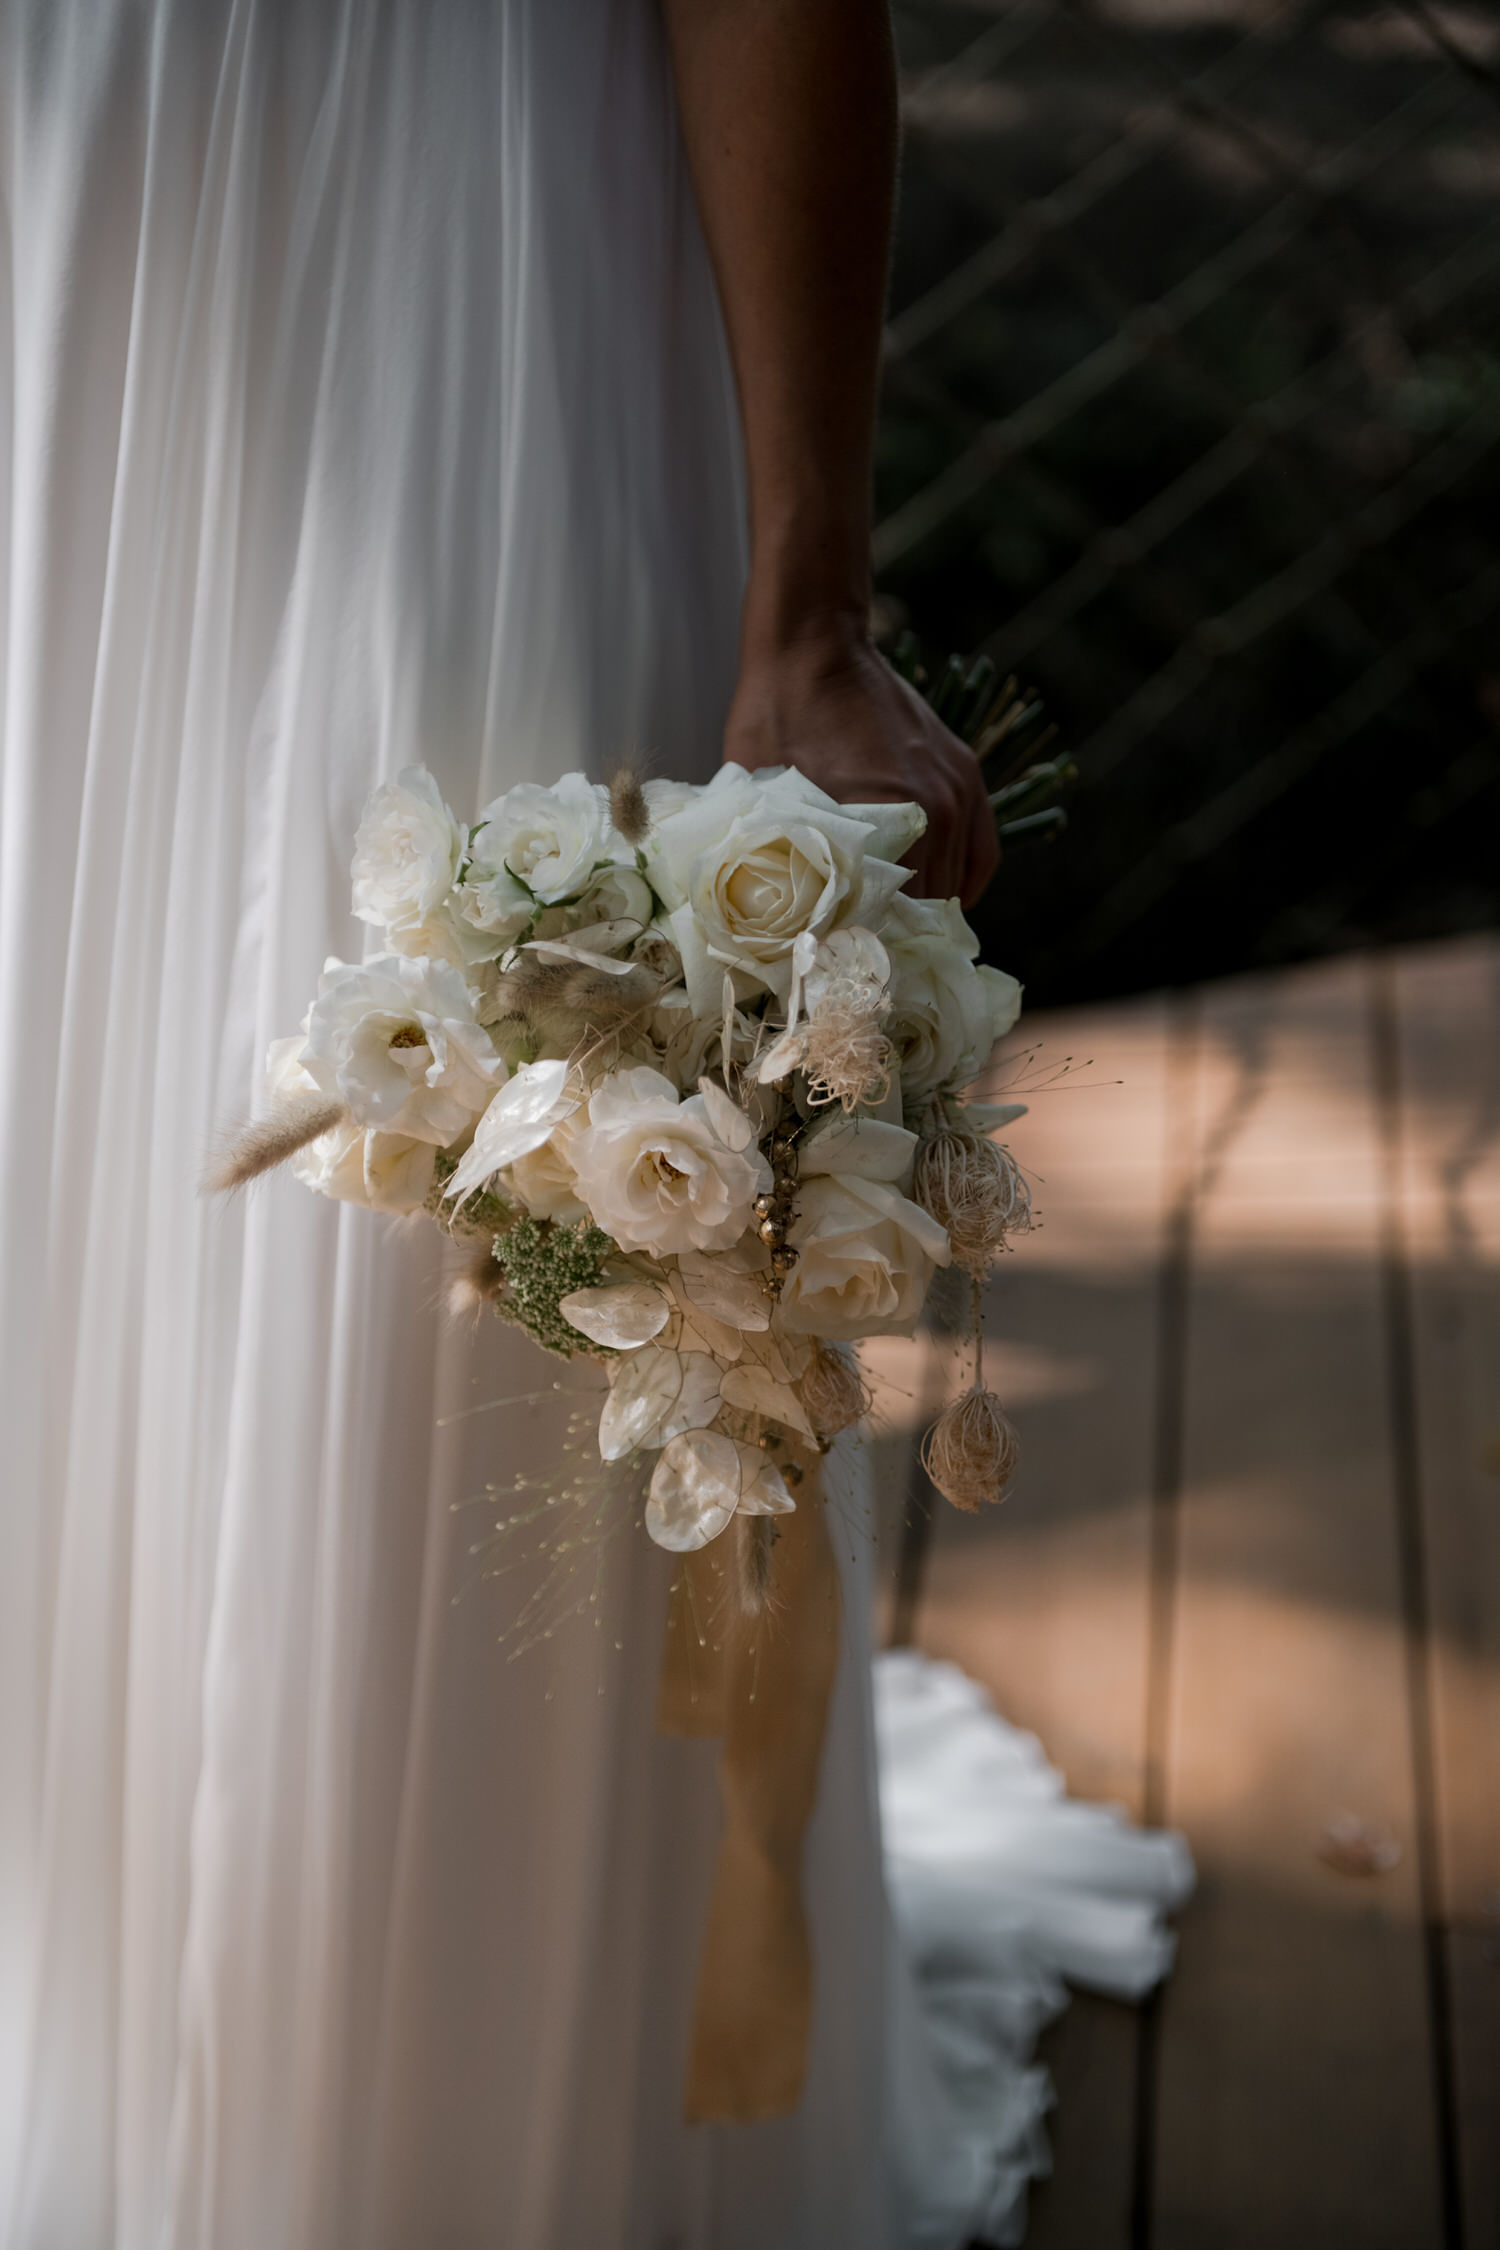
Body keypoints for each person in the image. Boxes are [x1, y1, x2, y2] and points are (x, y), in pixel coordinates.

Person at [0, 6, 1185, 2246]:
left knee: (473, 1112)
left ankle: (446, 2100)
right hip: (70, 259)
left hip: (470, 272)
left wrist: (806, 614)